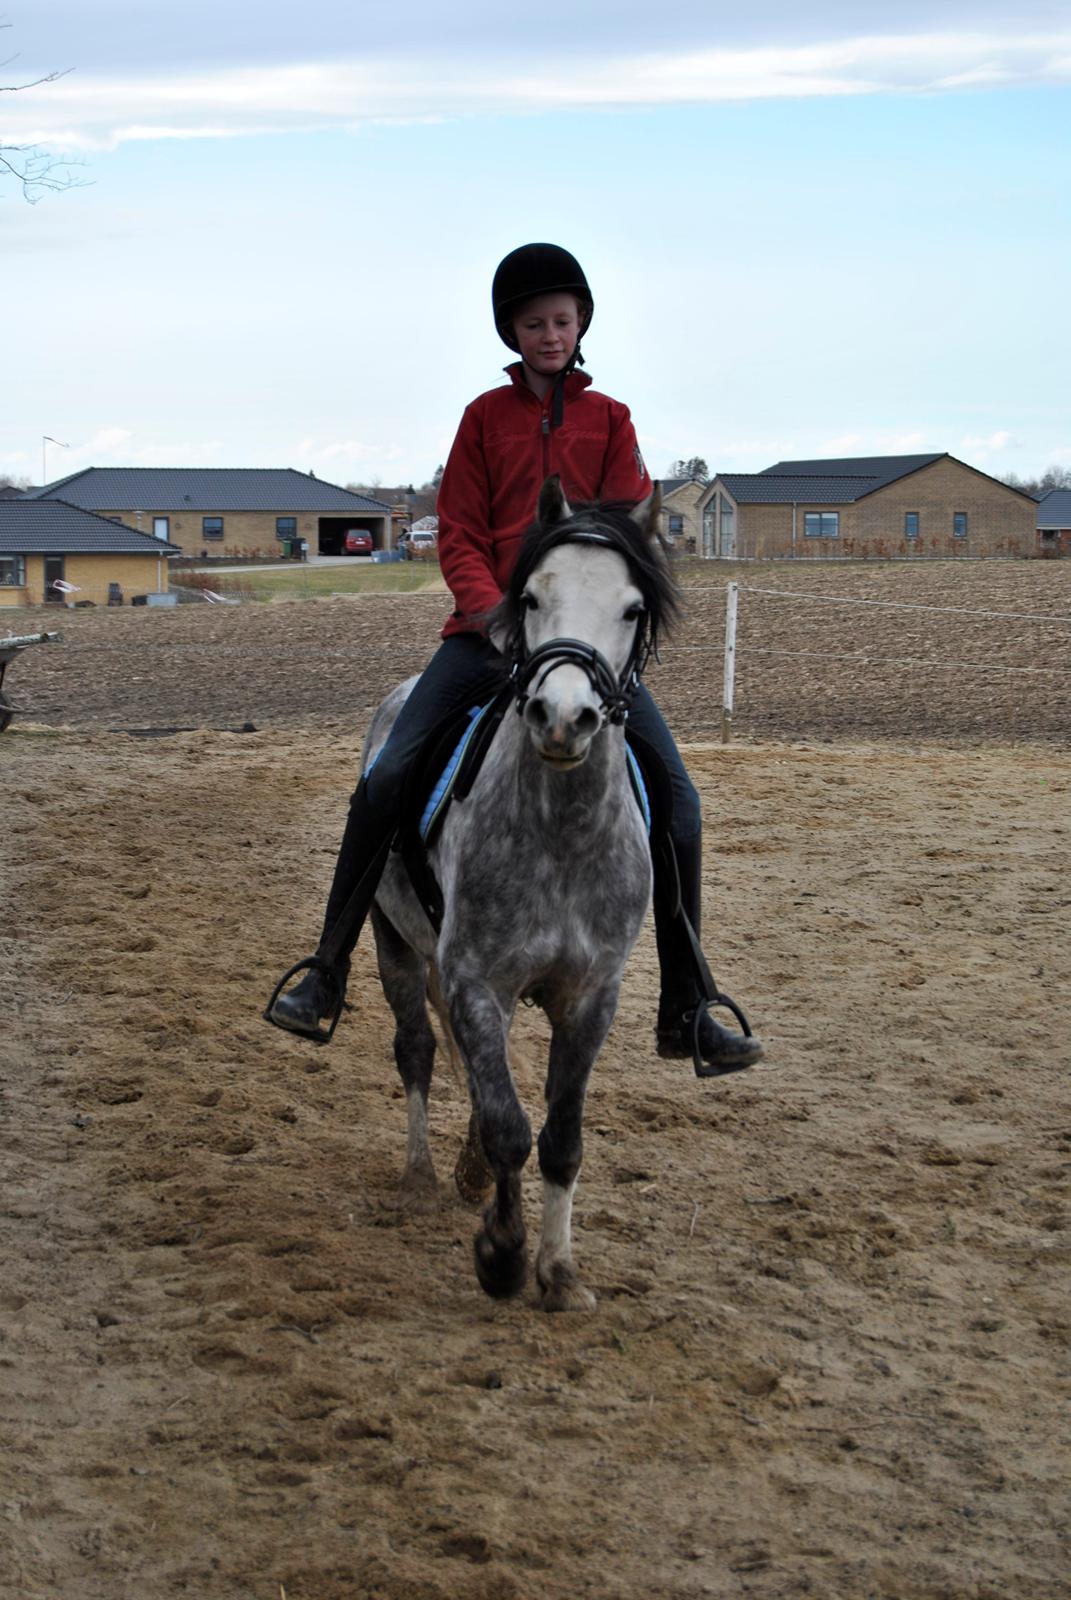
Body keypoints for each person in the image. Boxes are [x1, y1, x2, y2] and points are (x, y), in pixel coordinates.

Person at [268, 243, 761, 1072]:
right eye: (532, 323)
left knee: (679, 804)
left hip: (580, 650)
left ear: (580, 325)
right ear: (512, 329)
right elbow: (457, 530)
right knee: (385, 778)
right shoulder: (480, 419)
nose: (548, 334)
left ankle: (687, 1006)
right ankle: (326, 969)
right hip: (486, 636)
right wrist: (491, 614)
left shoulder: (611, 422)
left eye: (561, 321)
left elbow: (622, 535)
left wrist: (589, 622)